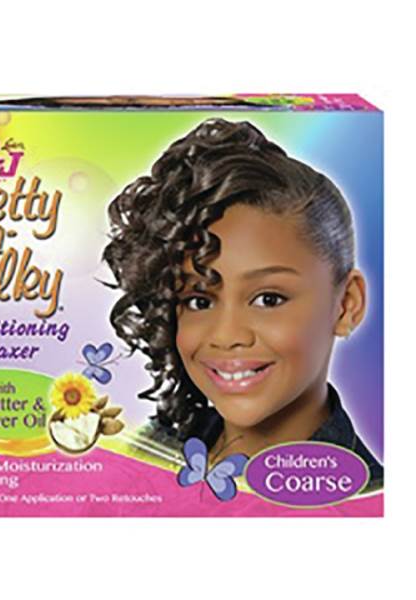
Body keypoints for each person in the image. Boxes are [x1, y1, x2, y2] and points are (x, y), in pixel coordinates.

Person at [103, 118, 383, 489]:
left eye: (268, 299)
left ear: (346, 305)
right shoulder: (150, 453)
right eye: (199, 301)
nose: (227, 335)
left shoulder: (367, 503)